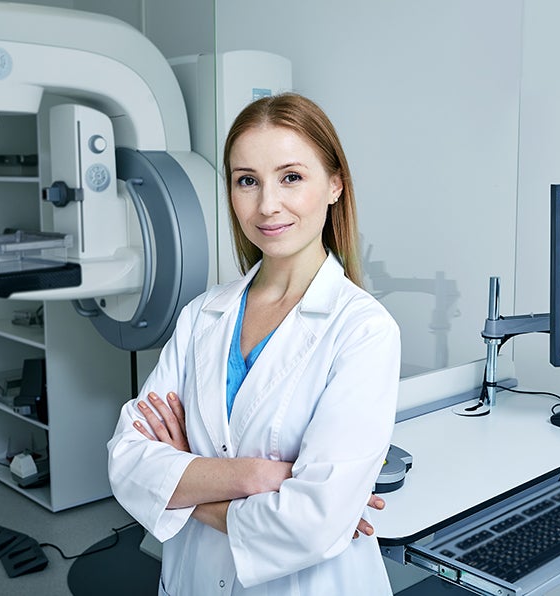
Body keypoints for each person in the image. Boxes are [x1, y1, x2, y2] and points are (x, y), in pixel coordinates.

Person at [107, 93, 401, 596]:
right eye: (247, 181)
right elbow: (128, 462)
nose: (267, 205)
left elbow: (311, 522)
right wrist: (258, 475)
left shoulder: (364, 330)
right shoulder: (202, 316)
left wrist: (185, 485)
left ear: (334, 185)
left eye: (291, 177)